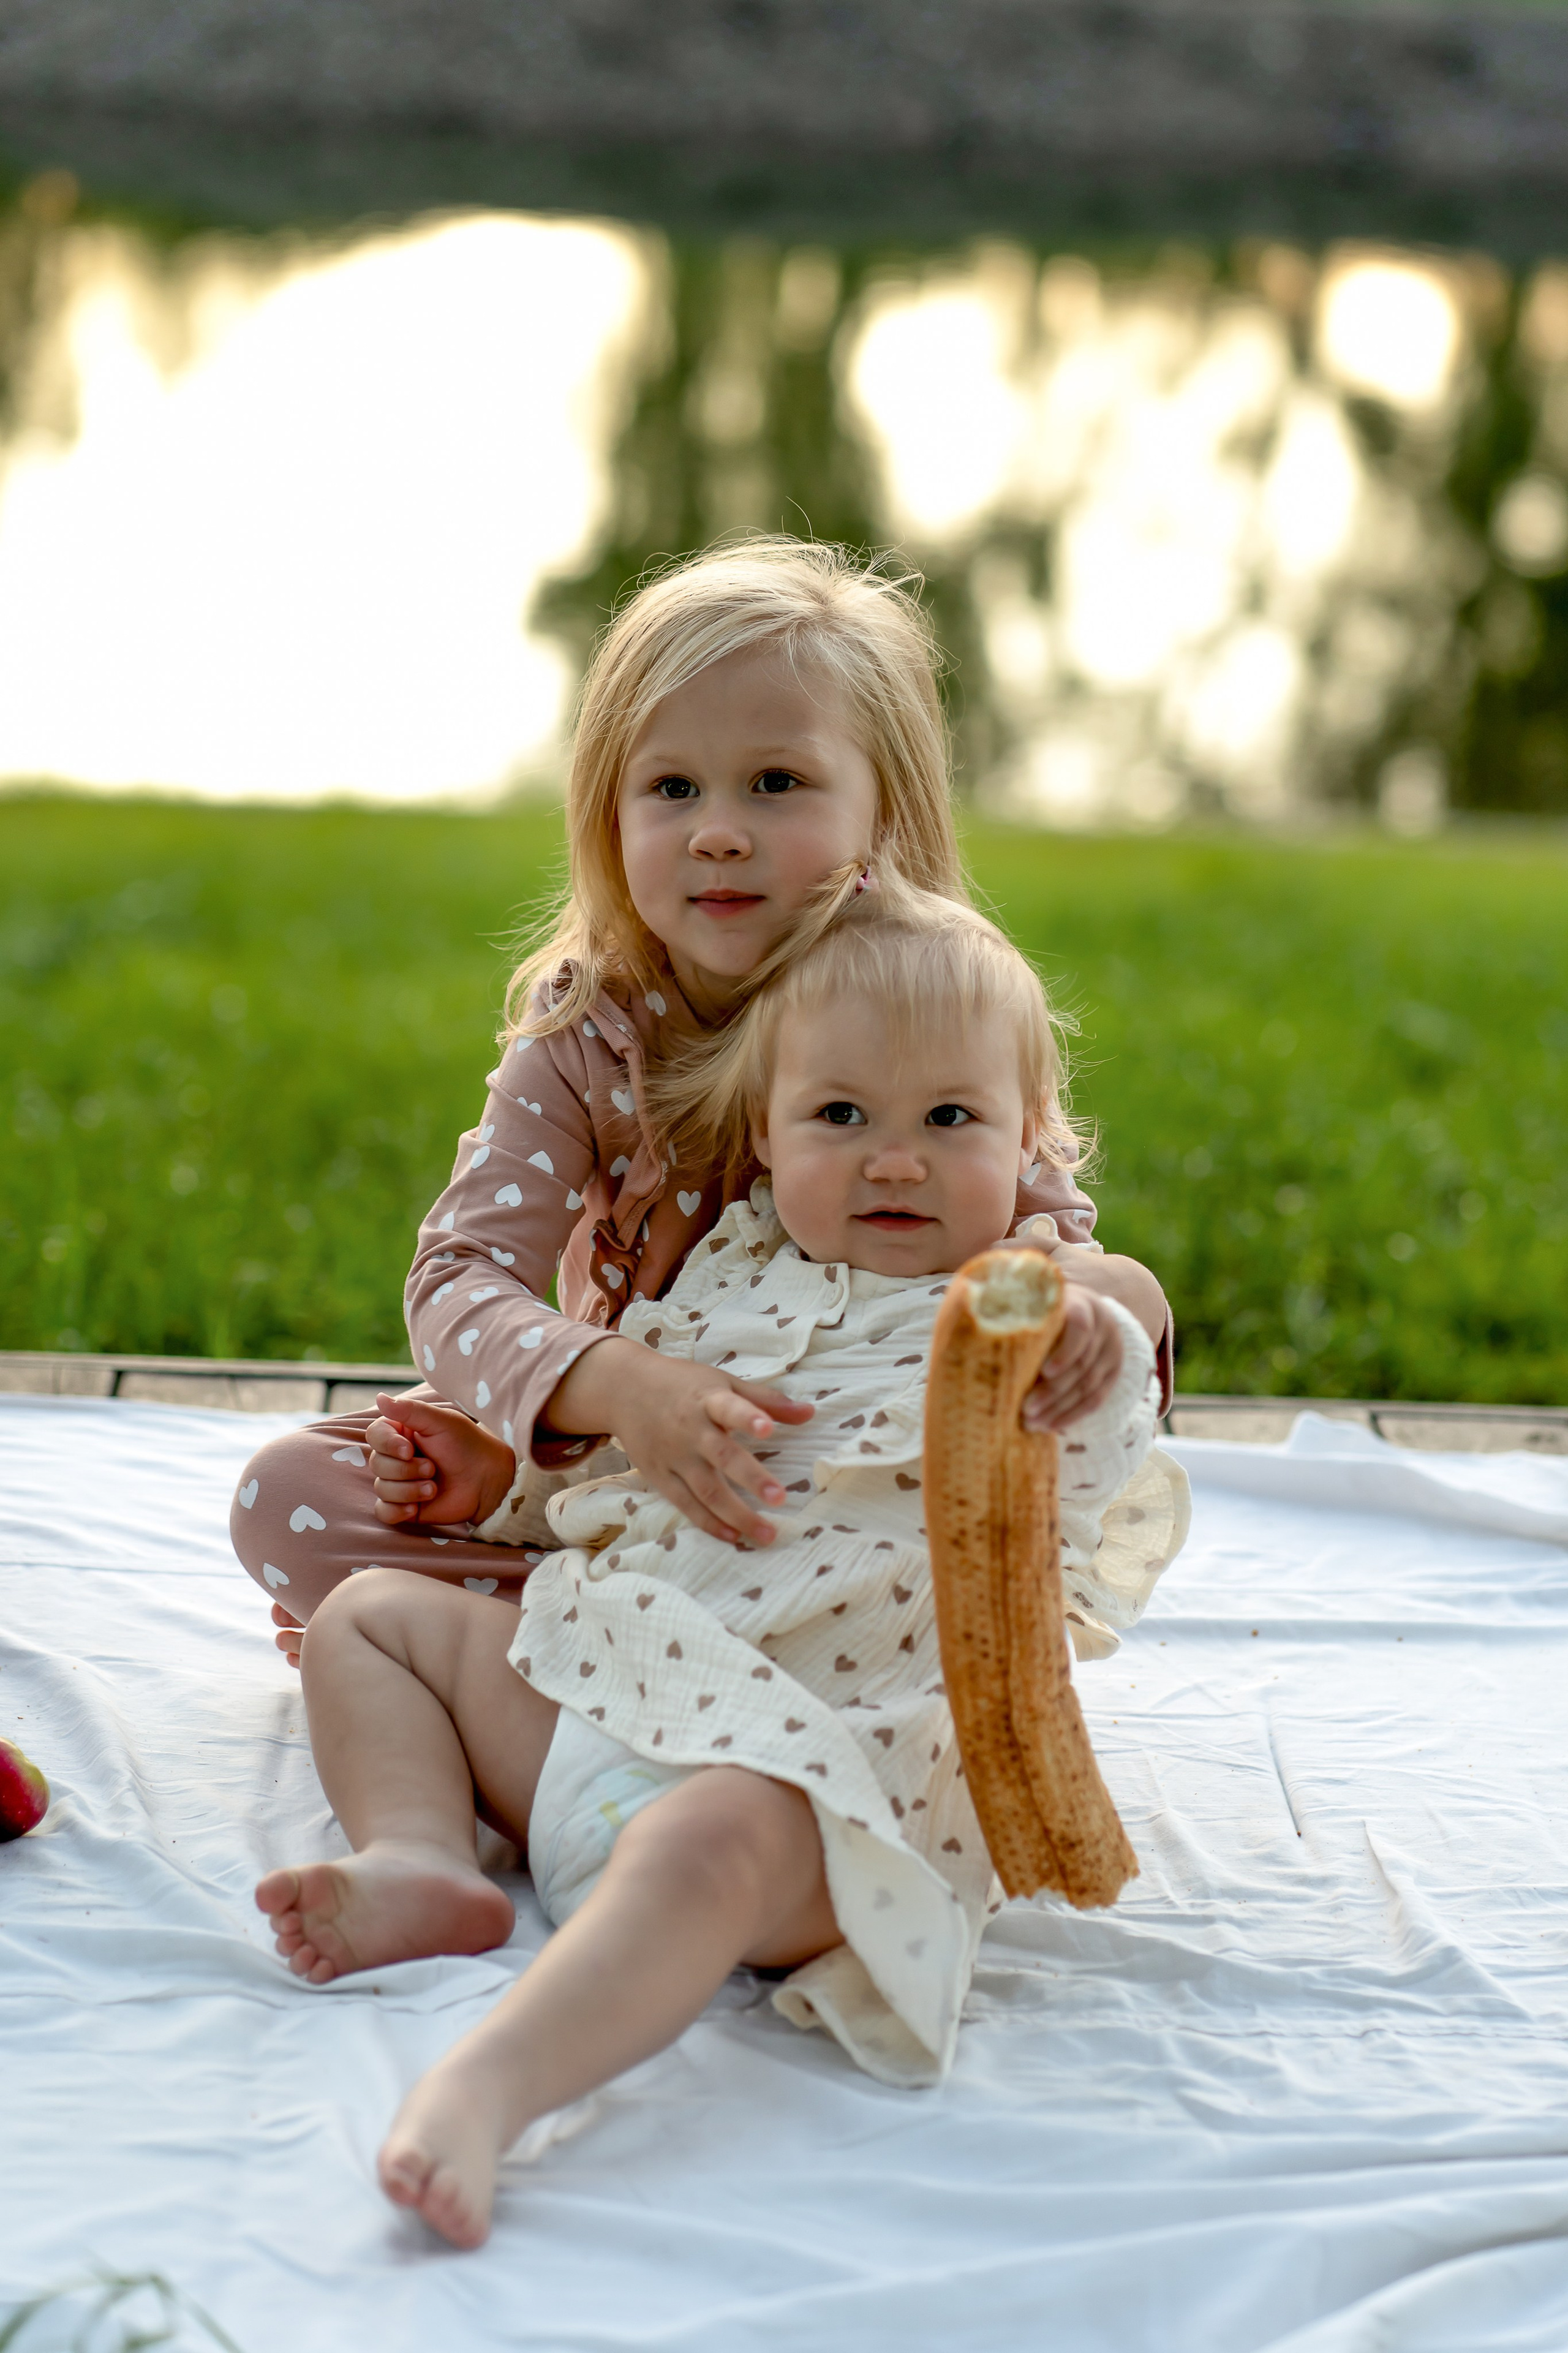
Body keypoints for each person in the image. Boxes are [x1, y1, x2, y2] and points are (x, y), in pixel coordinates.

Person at [254, 885, 1189, 2251]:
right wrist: (505, 1485)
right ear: (765, 1133)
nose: (891, 1161)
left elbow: (1090, 1479)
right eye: (839, 1117)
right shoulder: (728, 1279)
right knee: (371, 1620)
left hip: (817, 1790)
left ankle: (485, 2089)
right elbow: (621, 1482)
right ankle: (422, 1854)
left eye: (948, 1120)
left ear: (1023, 1145)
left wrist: (1099, 1358)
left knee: (705, 1838)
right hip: (608, 1703)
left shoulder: (1019, 1323)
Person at [229, 537, 1172, 1664]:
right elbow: (455, 1280)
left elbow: (1056, 1260)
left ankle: (505, 1658)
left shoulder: (935, 1004)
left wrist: (1109, 1297)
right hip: (629, 1450)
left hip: (846, 1481)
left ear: (885, 809)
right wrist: (616, 1386)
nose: (718, 829)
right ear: (608, 813)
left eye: (776, 783)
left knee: (945, 1540)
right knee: (288, 1492)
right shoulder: (592, 1026)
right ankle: (598, 1634)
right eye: (672, 787)